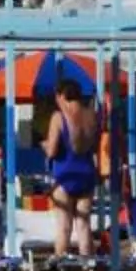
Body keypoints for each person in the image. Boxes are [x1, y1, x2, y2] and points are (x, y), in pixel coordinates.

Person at [45, 81, 102, 260]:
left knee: (64, 227)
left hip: (65, 174)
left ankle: (61, 270)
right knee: (84, 226)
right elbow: (95, 147)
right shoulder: (91, 116)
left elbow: (52, 150)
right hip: (86, 173)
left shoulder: (58, 117)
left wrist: (44, 146)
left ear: (61, 96)